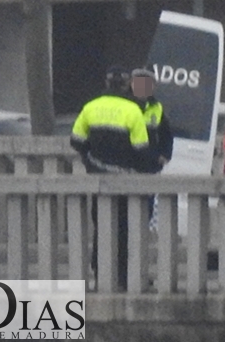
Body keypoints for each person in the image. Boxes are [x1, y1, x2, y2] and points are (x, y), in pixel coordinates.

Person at [70, 65, 159, 291]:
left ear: (107, 84)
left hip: (98, 181)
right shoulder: (133, 111)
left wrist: (91, 160)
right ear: (128, 85)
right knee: (125, 230)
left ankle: (100, 275)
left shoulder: (90, 108)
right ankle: (123, 277)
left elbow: (76, 141)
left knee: (101, 228)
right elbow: (141, 150)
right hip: (126, 184)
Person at [130, 67, 173, 226]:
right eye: (138, 82)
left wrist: (165, 155)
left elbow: (166, 134)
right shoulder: (126, 105)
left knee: (146, 206)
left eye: (146, 83)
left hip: (150, 165)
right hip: (129, 165)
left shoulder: (157, 108)